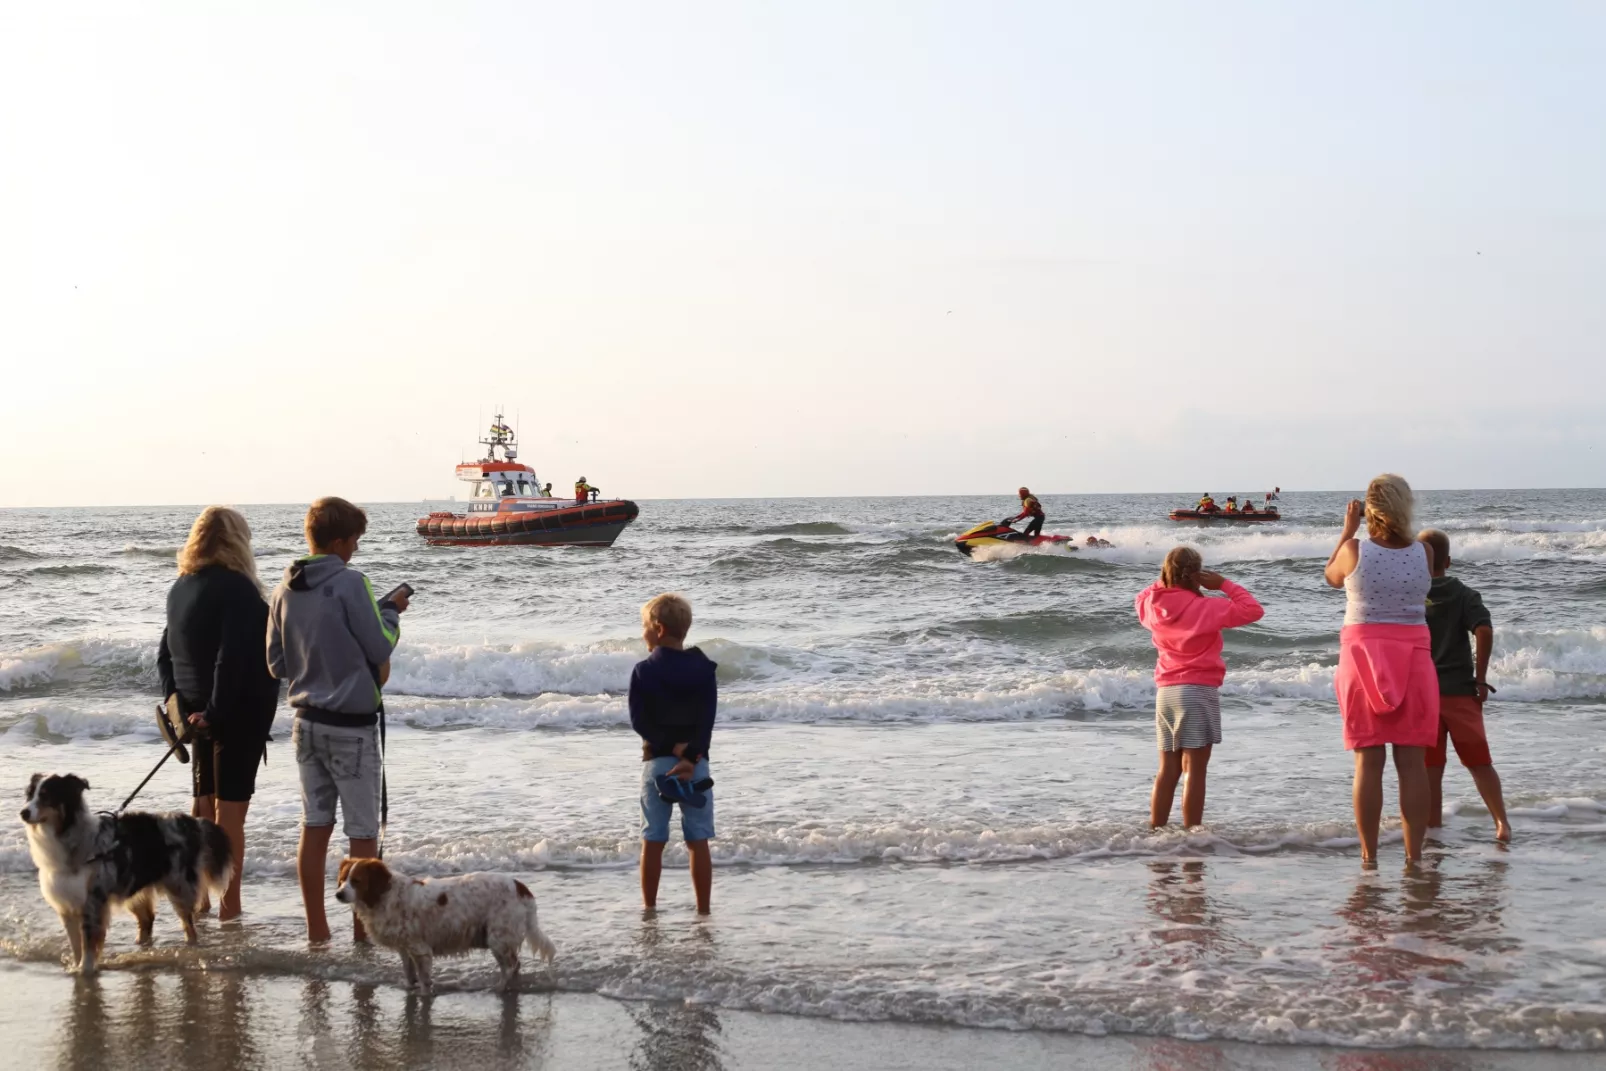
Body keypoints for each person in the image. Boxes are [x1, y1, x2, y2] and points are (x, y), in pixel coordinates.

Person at [267, 496, 407, 943]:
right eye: (355, 542)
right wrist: (390, 612)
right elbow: (380, 646)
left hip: (305, 721)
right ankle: (363, 937)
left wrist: (316, 655)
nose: (356, 551)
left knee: (315, 827)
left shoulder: (282, 589)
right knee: (362, 835)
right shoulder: (352, 583)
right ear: (342, 541)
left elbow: (275, 664)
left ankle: (317, 932)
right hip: (352, 727)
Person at [157, 507, 281, 920]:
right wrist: (215, 710)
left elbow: (166, 654)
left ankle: (198, 900)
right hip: (235, 716)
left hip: (196, 716)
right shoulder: (239, 590)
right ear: (237, 542)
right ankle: (231, 908)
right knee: (230, 816)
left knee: (202, 805)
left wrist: (179, 704)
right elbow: (232, 658)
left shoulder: (180, 587)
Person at [1324, 474, 1438, 864]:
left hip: (1361, 659)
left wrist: (1346, 530)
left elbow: (1331, 578)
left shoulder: (1354, 549)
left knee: (1368, 763)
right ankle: (1413, 856)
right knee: (1412, 764)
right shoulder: (1425, 553)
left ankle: (1369, 857)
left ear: (1368, 510)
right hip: (1414, 659)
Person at [1136, 547, 1264, 828]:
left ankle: (1156, 830)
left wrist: (1164, 582)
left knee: (1167, 769)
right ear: (1197, 574)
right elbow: (1254, 610)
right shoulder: (1207, 607)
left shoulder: (1152, 606)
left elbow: (1142, 596)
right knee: (1194, 769)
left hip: (1166, 692)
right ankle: (1191, 834)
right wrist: (1224, 585)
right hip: (1197, 690)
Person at [1419, 529, 1511, 842]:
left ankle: (1432, 829)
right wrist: (1481, 678)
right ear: (1448, 561)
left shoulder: (1414, 595)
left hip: (1424, 695)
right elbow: (1484, 630)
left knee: (1431, 768)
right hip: (1461, 692)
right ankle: (1502, 824)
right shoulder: (1464, 593)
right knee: (1479, 763)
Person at [629, 593, 717, 915]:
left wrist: (670, 747)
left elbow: (640, 722)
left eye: (644, 627)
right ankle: (703, 911)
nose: (642, 634)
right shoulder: (704, 668)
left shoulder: (643, 671)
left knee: (653, 839)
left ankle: (650, 910)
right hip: (696, 765)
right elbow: (707, 719)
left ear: (659, 628)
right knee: (698, 840)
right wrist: (690, 754)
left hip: (658, 766)